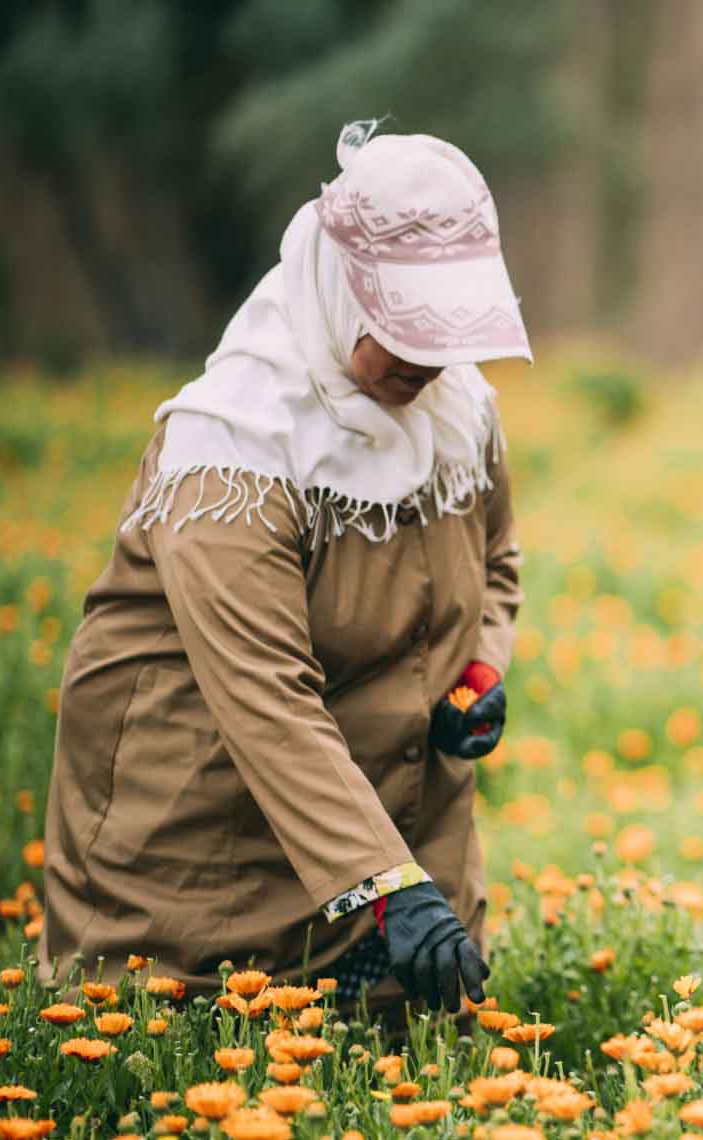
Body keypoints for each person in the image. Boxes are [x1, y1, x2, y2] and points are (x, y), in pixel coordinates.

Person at [41, 122, 533, 1015]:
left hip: (398, 851)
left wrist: (480, 670)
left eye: (440, 334)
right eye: (399, 331)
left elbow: (497, 563)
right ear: (340, 294)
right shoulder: (229, 453)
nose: (423, 361)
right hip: (206, 877)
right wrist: (384, 883)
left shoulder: (461, 417)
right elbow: (265, 694)